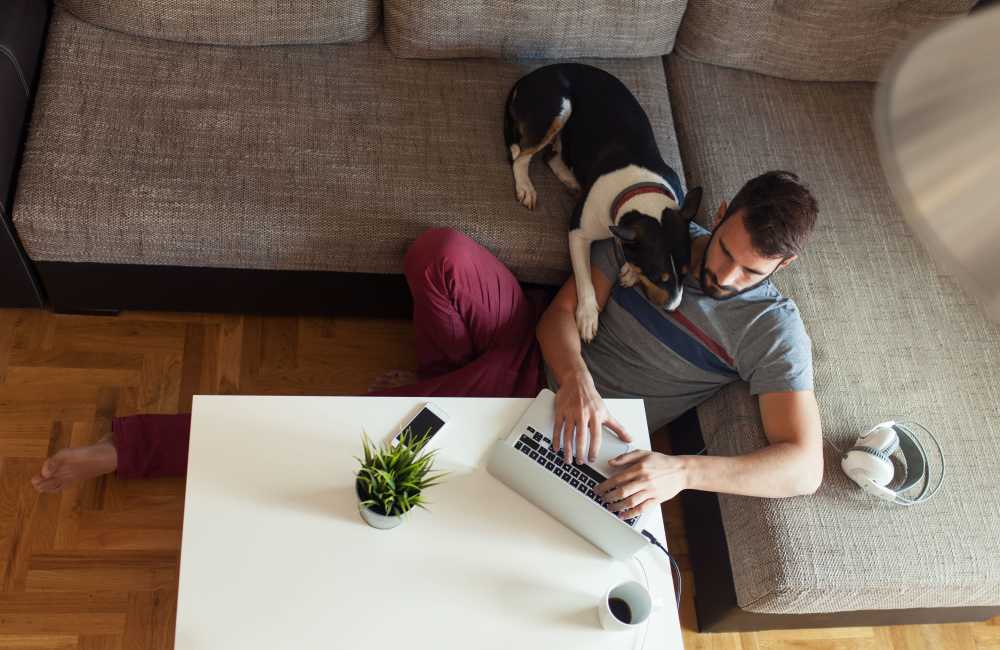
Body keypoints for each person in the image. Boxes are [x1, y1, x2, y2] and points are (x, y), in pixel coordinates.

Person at [31, 170, 823, 520]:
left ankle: (130, 449)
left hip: (564, 425)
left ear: (781, 266)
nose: (716, 273)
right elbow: (557, 319)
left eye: (744, 269)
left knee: (342, 442)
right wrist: (575, 371)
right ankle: (435, 390)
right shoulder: (665, 237)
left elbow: (802, 465)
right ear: (719, 212)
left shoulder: (771, 331)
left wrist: (680, 470)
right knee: (439, 254)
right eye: (719, 248)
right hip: (536, 354)